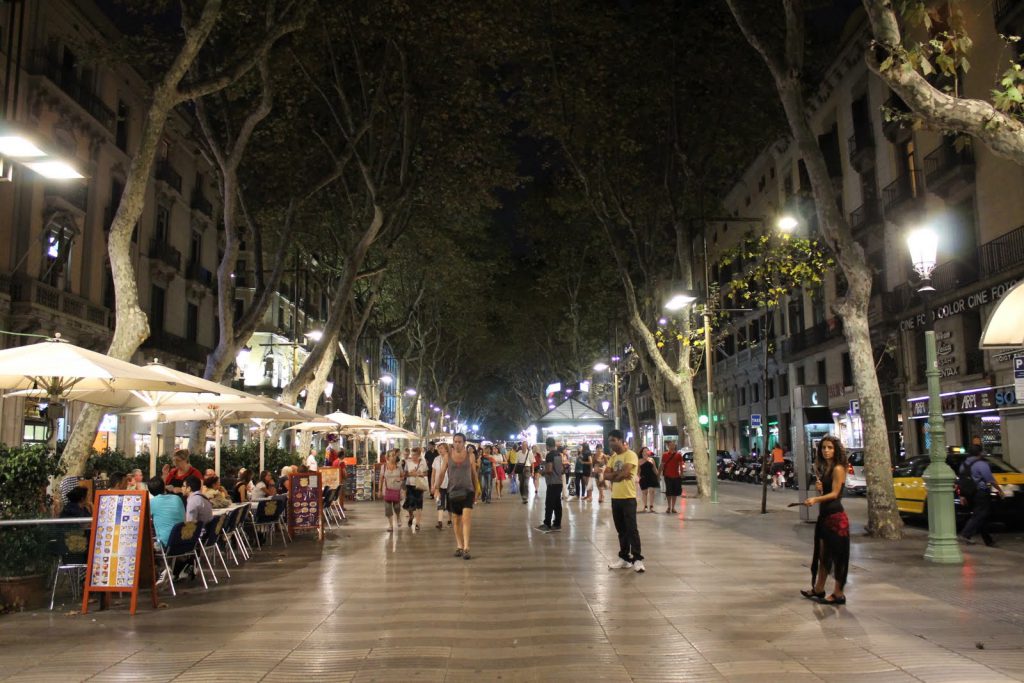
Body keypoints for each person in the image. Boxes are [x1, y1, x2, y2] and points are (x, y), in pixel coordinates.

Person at [800, 435, 850, 606]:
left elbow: (835, 494)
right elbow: (827, 493)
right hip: (825, 516)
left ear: (836, 450)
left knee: (838, 557)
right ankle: (819, 588)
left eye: (830, 447)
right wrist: (819, 491)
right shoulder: (826, 469)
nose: (826, 451)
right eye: (823, 448)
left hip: (836, 518)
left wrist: (815, 500)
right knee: (823, 555)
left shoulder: (838, 468)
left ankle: (838, 593)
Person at [433, 432, 479, 559]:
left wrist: (477, 489)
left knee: (466, 518)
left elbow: (474, 474)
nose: (457, 444)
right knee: (456, 520)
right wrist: (436, 488)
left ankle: (466, 547)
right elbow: (442, 473)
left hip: (468, 491)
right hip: (452, 491)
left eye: (460, 441)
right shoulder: (448, 456)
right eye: (455, 441)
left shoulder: (470, 456)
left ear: (464, 443)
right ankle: (459, 545)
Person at [606, 430, 644, 573]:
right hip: (615, 498)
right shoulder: (613, 457)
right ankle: (624, 558)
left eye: (614, 440)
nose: (611, 443)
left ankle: (638, 559)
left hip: (628, 498)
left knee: (631, 529)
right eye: (610, 440)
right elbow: (606, 475)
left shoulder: (631, 455)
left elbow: (626, 473)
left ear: (621, 440)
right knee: (621, 530)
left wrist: (615, 475)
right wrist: (617, 475)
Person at [958, 444, 1005, 547]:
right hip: (981, 492)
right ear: (980, 453)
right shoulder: (981, 464)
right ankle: (966, 534)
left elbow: (961, 481)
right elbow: (990, 479)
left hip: (969, 494)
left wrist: (961, 495)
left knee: (981, 516)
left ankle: (988, 540)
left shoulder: (963, 464)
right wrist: (1000, 490)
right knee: (980, 515)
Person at [148, 476, 185, 547]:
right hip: (183, 541)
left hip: (165, 543)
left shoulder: (152, 502)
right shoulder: (177, 498)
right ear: (164, 487)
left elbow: (143, 521)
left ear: (150, 491)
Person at [537, 437, 564, 532]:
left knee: (549, 504)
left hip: (552, 482)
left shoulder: (549, 455)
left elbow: (549, 470)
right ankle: (557, 524)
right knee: (557, 504)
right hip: (559, 482)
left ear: (547, 445)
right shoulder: (559, 455)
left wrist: (541, 471)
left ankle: (547, 524)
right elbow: (561, 469)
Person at [402, 447, 428, 531]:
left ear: (419, 455)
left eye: (415, 455)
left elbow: (426, 473)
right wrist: (411, 473)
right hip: (409, 485)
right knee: (409, 505)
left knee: (419, 505)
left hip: (419, 485)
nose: (413, 456)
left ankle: (418, 523)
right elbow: (405, 474)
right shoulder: (408, 462)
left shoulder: (423, 462)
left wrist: (419, 474)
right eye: (412, 455)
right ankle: (411, 516)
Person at [379, 450, 404, 532]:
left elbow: (403, 476)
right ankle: (390, 525)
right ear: (388, 457)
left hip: (396, 490)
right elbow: (381, 479)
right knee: (388, 508)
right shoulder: (384, 467)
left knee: (397, 507)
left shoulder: (399, 466)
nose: (393, 457)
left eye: (394, 455)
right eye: (391, 455)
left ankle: (398, 517)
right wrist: (379, 490)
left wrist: (399, 479)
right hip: (387, 490)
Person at [659, 439, 684, 514]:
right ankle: (669, 507)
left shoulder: (678, 455)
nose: (672, 446)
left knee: (674, 492)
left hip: (676, 476)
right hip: (667, 475)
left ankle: (673, 507)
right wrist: (659, 473)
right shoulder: (665, 455)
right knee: (668, 492)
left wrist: (681, 473)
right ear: (668, 446)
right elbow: (662, 464)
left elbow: (680, 465)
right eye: (670, 445)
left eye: (673, 445)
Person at [433, 442, 452, 529]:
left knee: (450, 503)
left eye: (442, 448)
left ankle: (450, 519)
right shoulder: (436, 459)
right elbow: (433, 473)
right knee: (439, 502)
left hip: (450, 484)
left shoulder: (451, 458)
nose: (440, 450)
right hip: (439, 485)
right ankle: (439, 521)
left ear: (446, 449)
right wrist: (432, 485)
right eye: (439, 448)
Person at [638, 447, 660, 512]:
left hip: (651, 477)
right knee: (644, 492)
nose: (645, 452)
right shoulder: (639, 461)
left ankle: (651, 506)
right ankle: (645, 506)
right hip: (643, 477)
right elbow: (638, 471)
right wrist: (638, 477)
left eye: (647, 451)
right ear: (642, 453)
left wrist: (658, 475)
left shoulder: (651, 460)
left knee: (652, 491)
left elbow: (655, 469)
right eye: (644, 451)